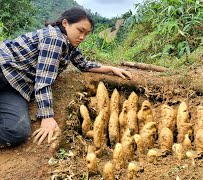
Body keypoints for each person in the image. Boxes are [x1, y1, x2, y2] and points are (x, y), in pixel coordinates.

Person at [0, 7, 132, 147]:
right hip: (4, 69)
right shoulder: (54, 38)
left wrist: (111, 69)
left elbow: (83, 64)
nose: (82, 37)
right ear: (65, 23)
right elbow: (43, 80)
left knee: (16, 131)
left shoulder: (69, 44)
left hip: (16, 85)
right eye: (80, 30)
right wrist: (47, 116)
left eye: (86, 34)